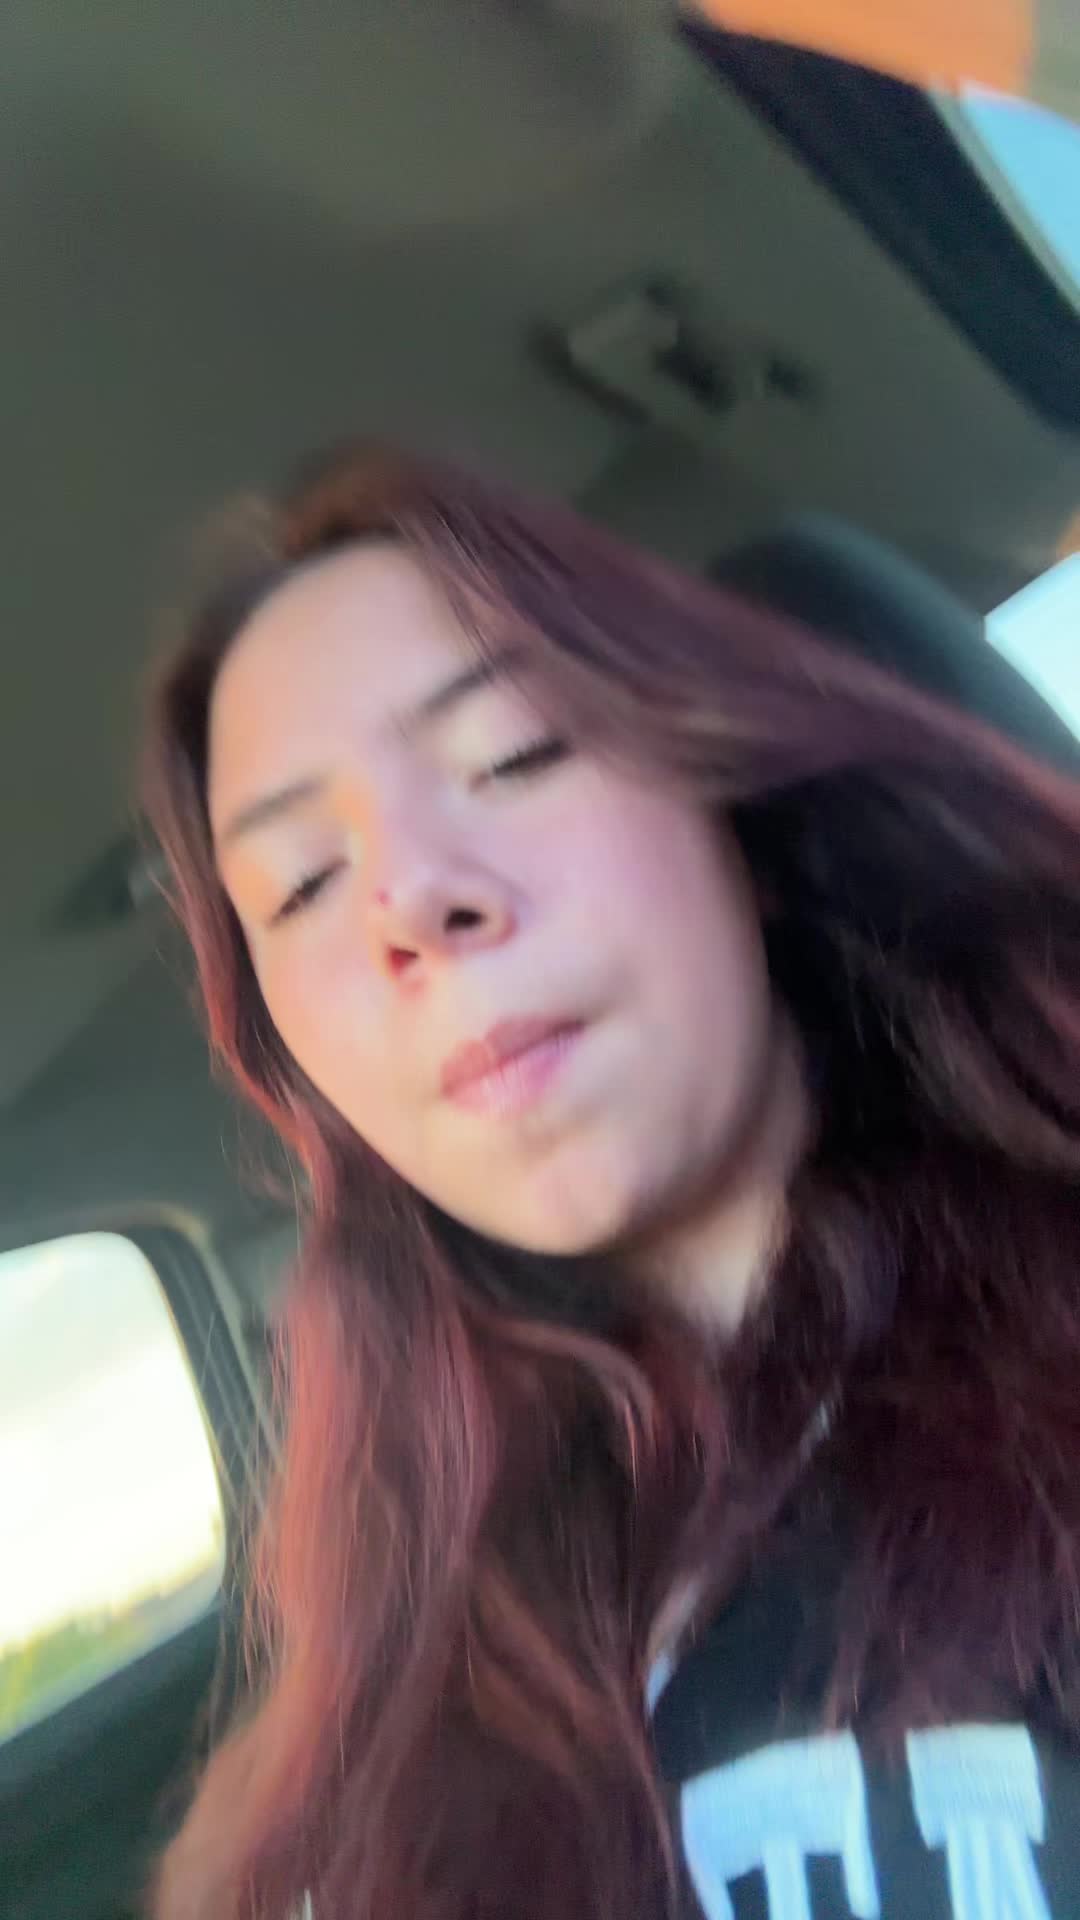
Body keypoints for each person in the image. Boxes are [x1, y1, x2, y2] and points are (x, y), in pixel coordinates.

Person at [142, 442, 1080, 1920]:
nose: (406, 903)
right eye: (303, 884)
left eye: (514, 755)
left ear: (727, 811)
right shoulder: (355, 1733)